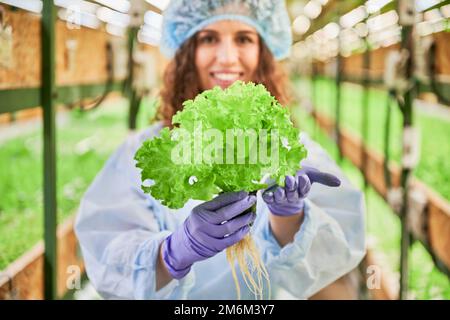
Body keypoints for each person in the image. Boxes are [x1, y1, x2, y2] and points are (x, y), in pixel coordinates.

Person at [75, 0, 366, 300]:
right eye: (209, 38)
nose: (227, 58)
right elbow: (108, 254)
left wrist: (290, 216)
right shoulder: (144, 153)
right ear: (187, 52)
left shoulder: (292, 150)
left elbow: (331, 259)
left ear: (263, 51)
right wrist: (173, 253)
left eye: (244, 39)